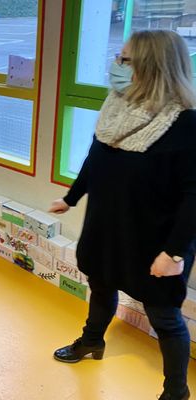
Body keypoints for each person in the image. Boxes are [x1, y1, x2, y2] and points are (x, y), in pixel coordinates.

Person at [49, 30, 196, 400]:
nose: (117, 66)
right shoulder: (116, 106)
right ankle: (92, 341)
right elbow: (95, 159)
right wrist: (72, 197)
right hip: (107, 224)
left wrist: (174, 252)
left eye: (125, 60)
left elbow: (195, 197)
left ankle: (176, 391)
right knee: (100, 286)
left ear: (152, 67)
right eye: (119, 57)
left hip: (156, 239)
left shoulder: (186, 124)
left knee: (164, 317)